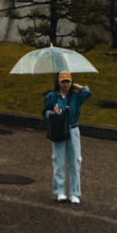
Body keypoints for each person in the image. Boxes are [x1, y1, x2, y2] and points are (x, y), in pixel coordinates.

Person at [42, 70, 90, 205]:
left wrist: (79, 87)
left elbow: (87, 93)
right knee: (59, 162)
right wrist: (52, 112)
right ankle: (60, 191)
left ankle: (75, 193)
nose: (66, 84)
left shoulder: (75, 97)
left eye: (68, 81)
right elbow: (44, 112)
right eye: (63, 81)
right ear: (59, 82)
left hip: (73, 130)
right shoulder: (52, 96)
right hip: (58, 130)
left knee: (75, 161)